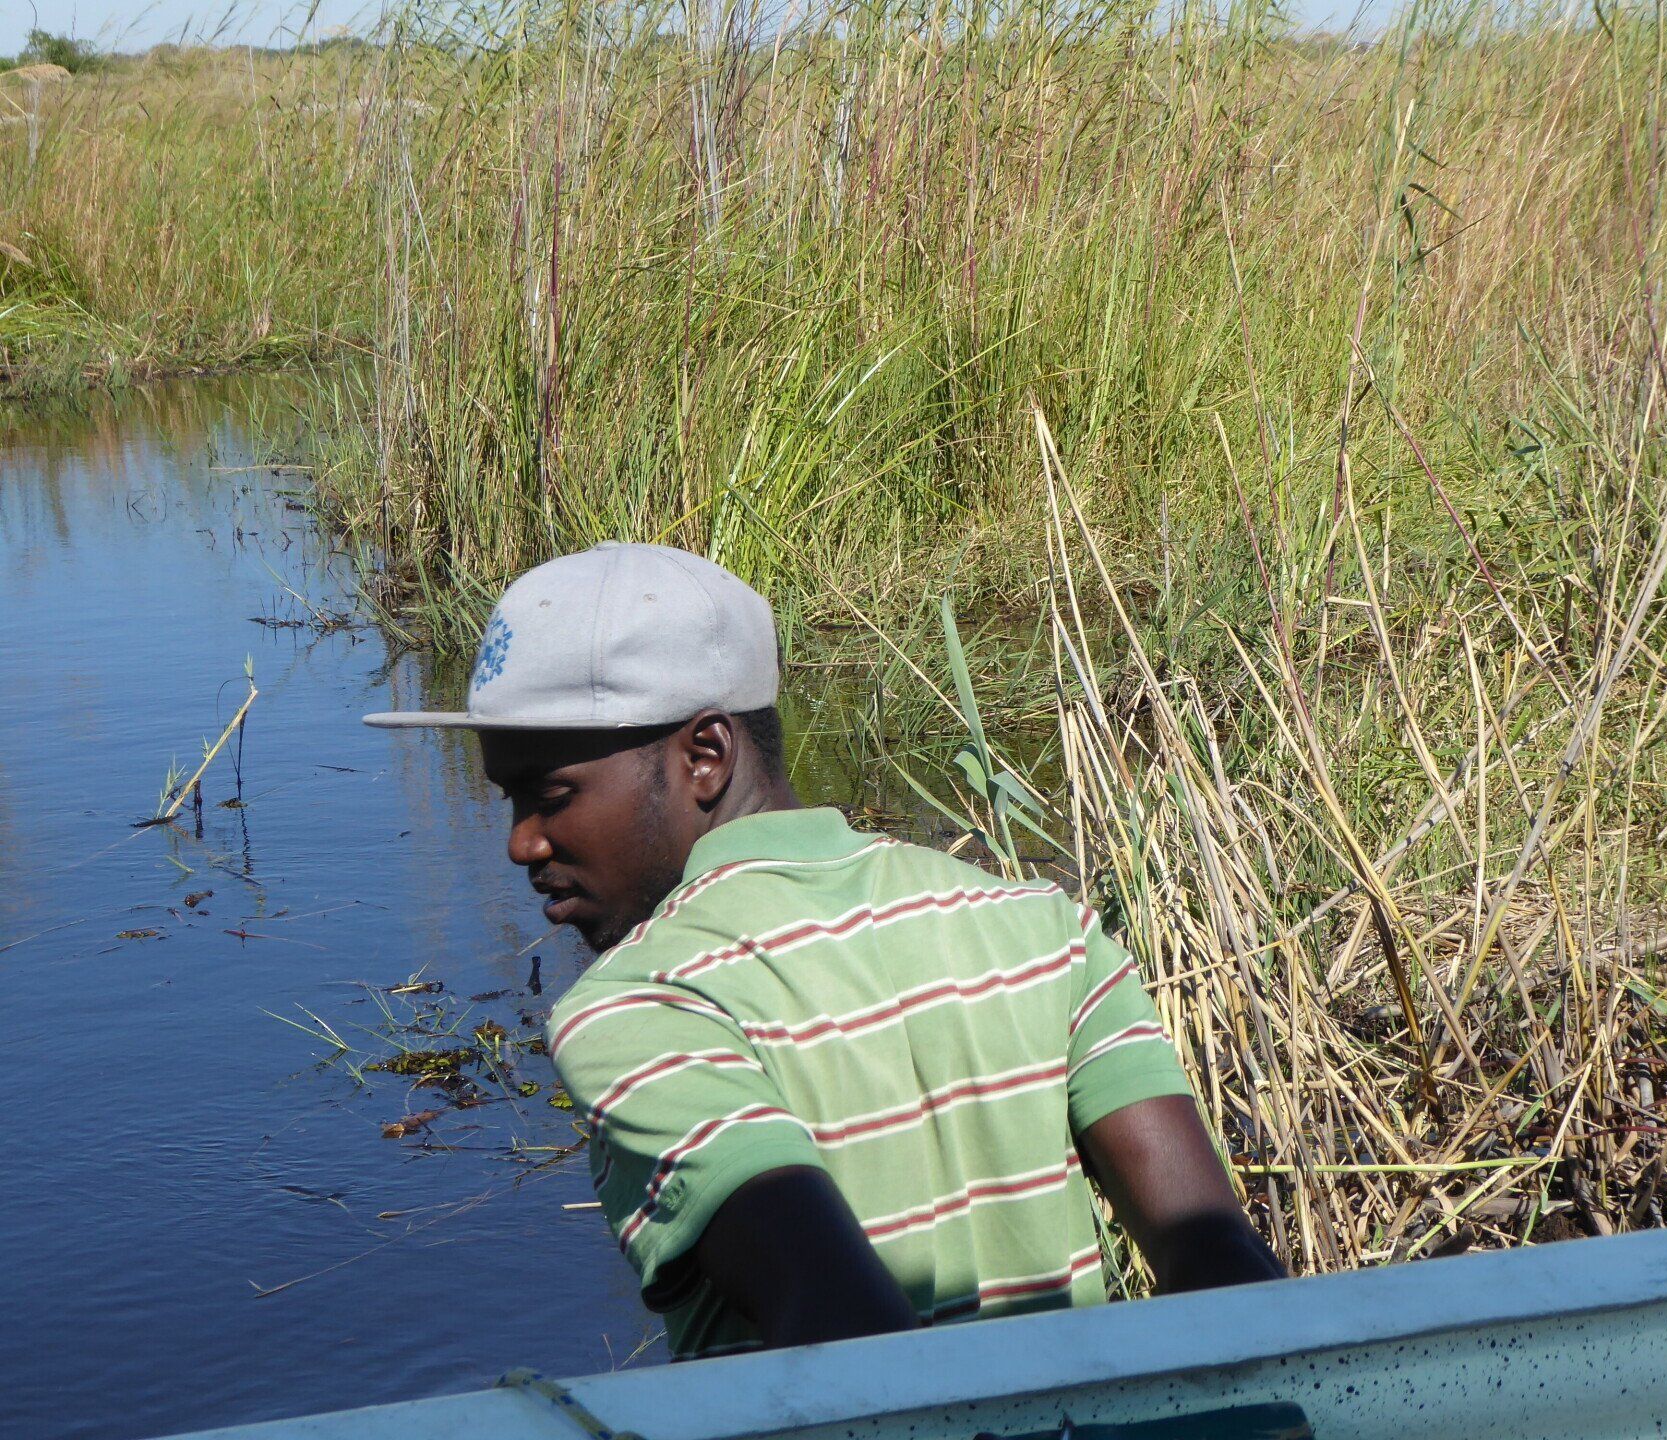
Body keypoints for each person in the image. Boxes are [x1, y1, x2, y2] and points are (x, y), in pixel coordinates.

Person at [366, 542, 1285, 1359]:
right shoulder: (1042, 927)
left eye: (551, 794)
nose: (520, 844)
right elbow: (1222, 1268)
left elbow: (843, 1326)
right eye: (508, 801)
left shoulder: (636, 1010)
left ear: (706, 758)